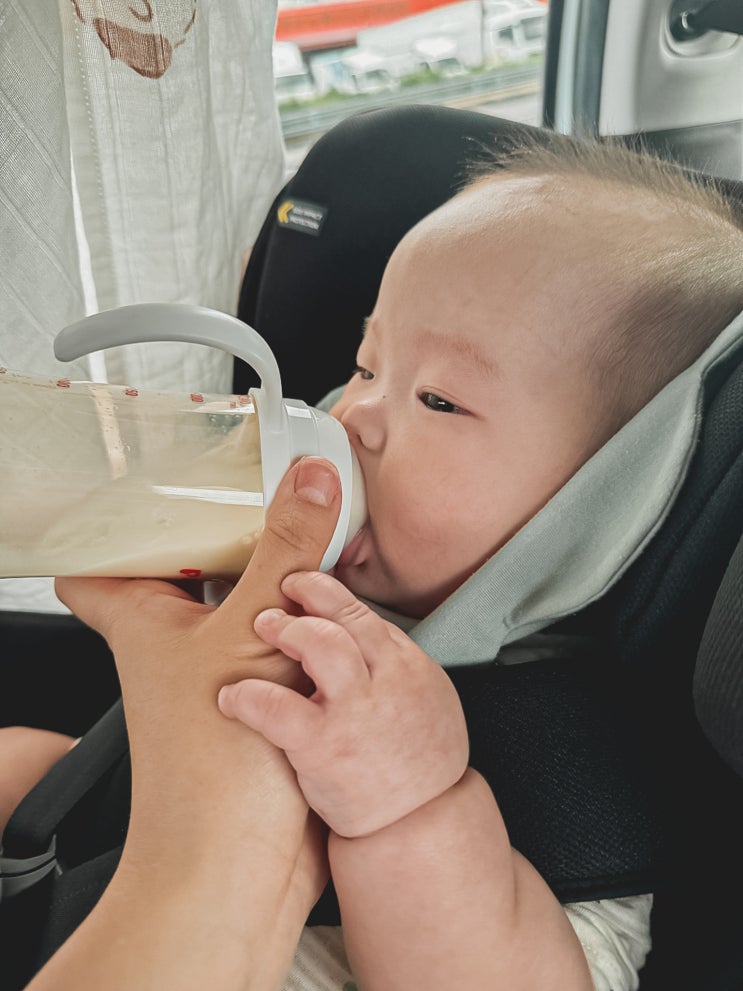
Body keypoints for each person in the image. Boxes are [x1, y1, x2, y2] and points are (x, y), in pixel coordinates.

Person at [4, 132, 743, 990]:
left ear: (602, 500)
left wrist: (409, 810)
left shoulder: (578, 764)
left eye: (439, 399)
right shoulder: (309, 576)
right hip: (105, 899)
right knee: (23, 761)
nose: (352, 415)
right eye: (365, 366)